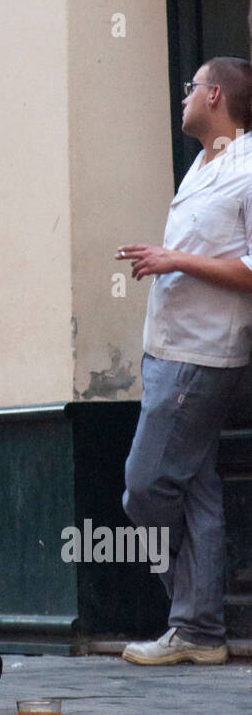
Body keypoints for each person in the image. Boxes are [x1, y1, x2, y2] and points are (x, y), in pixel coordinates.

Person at [116, 57, 252, 665]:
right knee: (195, 490)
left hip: (201, 356)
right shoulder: (206, 162)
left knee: (144, 491)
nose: (184, 97)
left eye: (191, 87)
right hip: (165, 348)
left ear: (216, 94)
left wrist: (175, 261)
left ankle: (194, 622)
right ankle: (199, 630)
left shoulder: (248, 169)